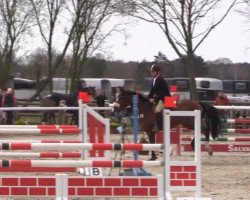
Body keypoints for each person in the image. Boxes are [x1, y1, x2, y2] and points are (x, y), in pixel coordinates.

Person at [148, 64, 171, 131]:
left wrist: (154, 99)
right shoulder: (154, 80)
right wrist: (147, 98)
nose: (151, 73)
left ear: (157, 72)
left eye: (153, 71)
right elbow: (152, 91)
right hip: (159, 98)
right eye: (151, 71)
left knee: (157, 110)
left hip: (166, 99)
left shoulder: (161, 80)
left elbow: (162, 93)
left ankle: (159, 126)